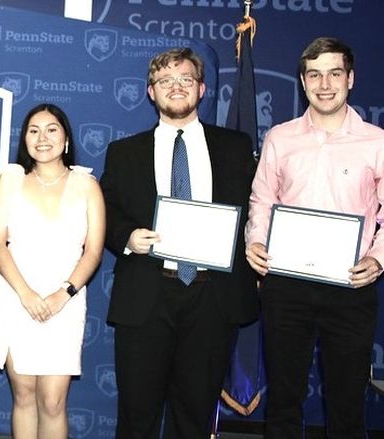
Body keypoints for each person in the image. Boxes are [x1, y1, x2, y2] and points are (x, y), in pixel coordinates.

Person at [100, 47, 258, 438]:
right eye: (165, 80)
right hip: (147, 295)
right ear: (150, 92)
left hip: (212, 297)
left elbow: (258, 208)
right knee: (137, 414)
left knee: (195, 414)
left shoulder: (236, 147)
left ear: (202, 89)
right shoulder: (124, 152)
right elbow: (105, 211)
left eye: (185, 79)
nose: (176, 87)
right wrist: (126, 237)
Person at [245, 37, 384, 439]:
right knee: (284, 399)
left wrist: (377, 259)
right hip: (286, 284)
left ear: (350, 79)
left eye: (334, 73)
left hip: (351, 284)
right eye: (315, 74)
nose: (325, 84)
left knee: (346, 403)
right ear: (304, 82)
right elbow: (263, 199)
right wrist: (256, 240)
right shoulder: (280, 137)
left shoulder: (377, 142)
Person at [0, 103, 105, 438]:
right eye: (33, 130)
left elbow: (93, 252)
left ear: (66, 138)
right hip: (16, 296)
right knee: (23, 395)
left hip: (64, 301)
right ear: (24, 139)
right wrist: (26, 295)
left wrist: (63, 293)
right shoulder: (9, 180)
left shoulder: (86, 185)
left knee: (53, 402)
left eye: (51, 129)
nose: (42, 137)